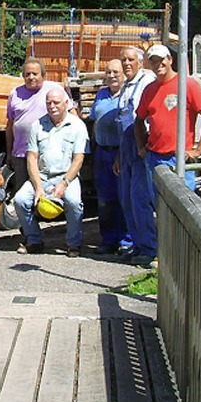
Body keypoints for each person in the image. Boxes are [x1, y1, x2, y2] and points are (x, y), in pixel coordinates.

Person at [133, 44, 201, 265]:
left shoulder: (187, 85)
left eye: (162, 60)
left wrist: (198, 150)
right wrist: (142, 145)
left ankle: (186, 258)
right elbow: (139, 119)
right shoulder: (150, 89)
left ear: (170, 60)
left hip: (179, 159)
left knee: (184, 209)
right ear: (149, 64)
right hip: (154, 157)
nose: (158, 65)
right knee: (160, 209)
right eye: (153, 61)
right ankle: (166, 256)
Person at [13, 86, 90, 257]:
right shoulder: (37, 125)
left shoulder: (77, 126)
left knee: (74, 202)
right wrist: (38, 187)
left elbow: (78, 159)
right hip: (42, 176)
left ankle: (73, 243)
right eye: (48, 103)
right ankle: (34, 239)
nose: (52, 106)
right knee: (19, 200)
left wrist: (64, 184)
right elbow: (32, 157)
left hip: (66, 176)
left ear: (66, 103)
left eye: (56, 102)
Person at [114, 46, 156, 263]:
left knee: (140, 201)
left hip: (139, 150)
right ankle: (138, 245)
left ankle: (149, 249)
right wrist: (120, 156)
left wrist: (142, 146)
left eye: (130, 60)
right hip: (126, 150)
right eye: (123, 60)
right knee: (127, 201)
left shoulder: (145, 83)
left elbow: (144, 119)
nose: (126, 64)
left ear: (140, 62)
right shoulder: (126, 87)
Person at [6, 58, 72, 190]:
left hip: (45, 153)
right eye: (27, 74)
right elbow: (10, 125)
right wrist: (9, 152)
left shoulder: (53, 90)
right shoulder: (15, 93)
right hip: (21, 153)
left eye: (35, 74)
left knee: (44, 190)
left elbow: (72, 115)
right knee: (22, 191)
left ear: (43, 75)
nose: (31, 77)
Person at [89, 59, 129, 255]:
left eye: (116, 72)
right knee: (105, 200)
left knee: (123, 198)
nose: (112, 75)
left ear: (123, 73)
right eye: (108, 72)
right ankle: (109, 240)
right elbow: (94, 120)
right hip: (102, 152)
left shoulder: (127, 95)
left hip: (120, 152)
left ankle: (127, 241)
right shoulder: (102, 94)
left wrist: (120, 156)